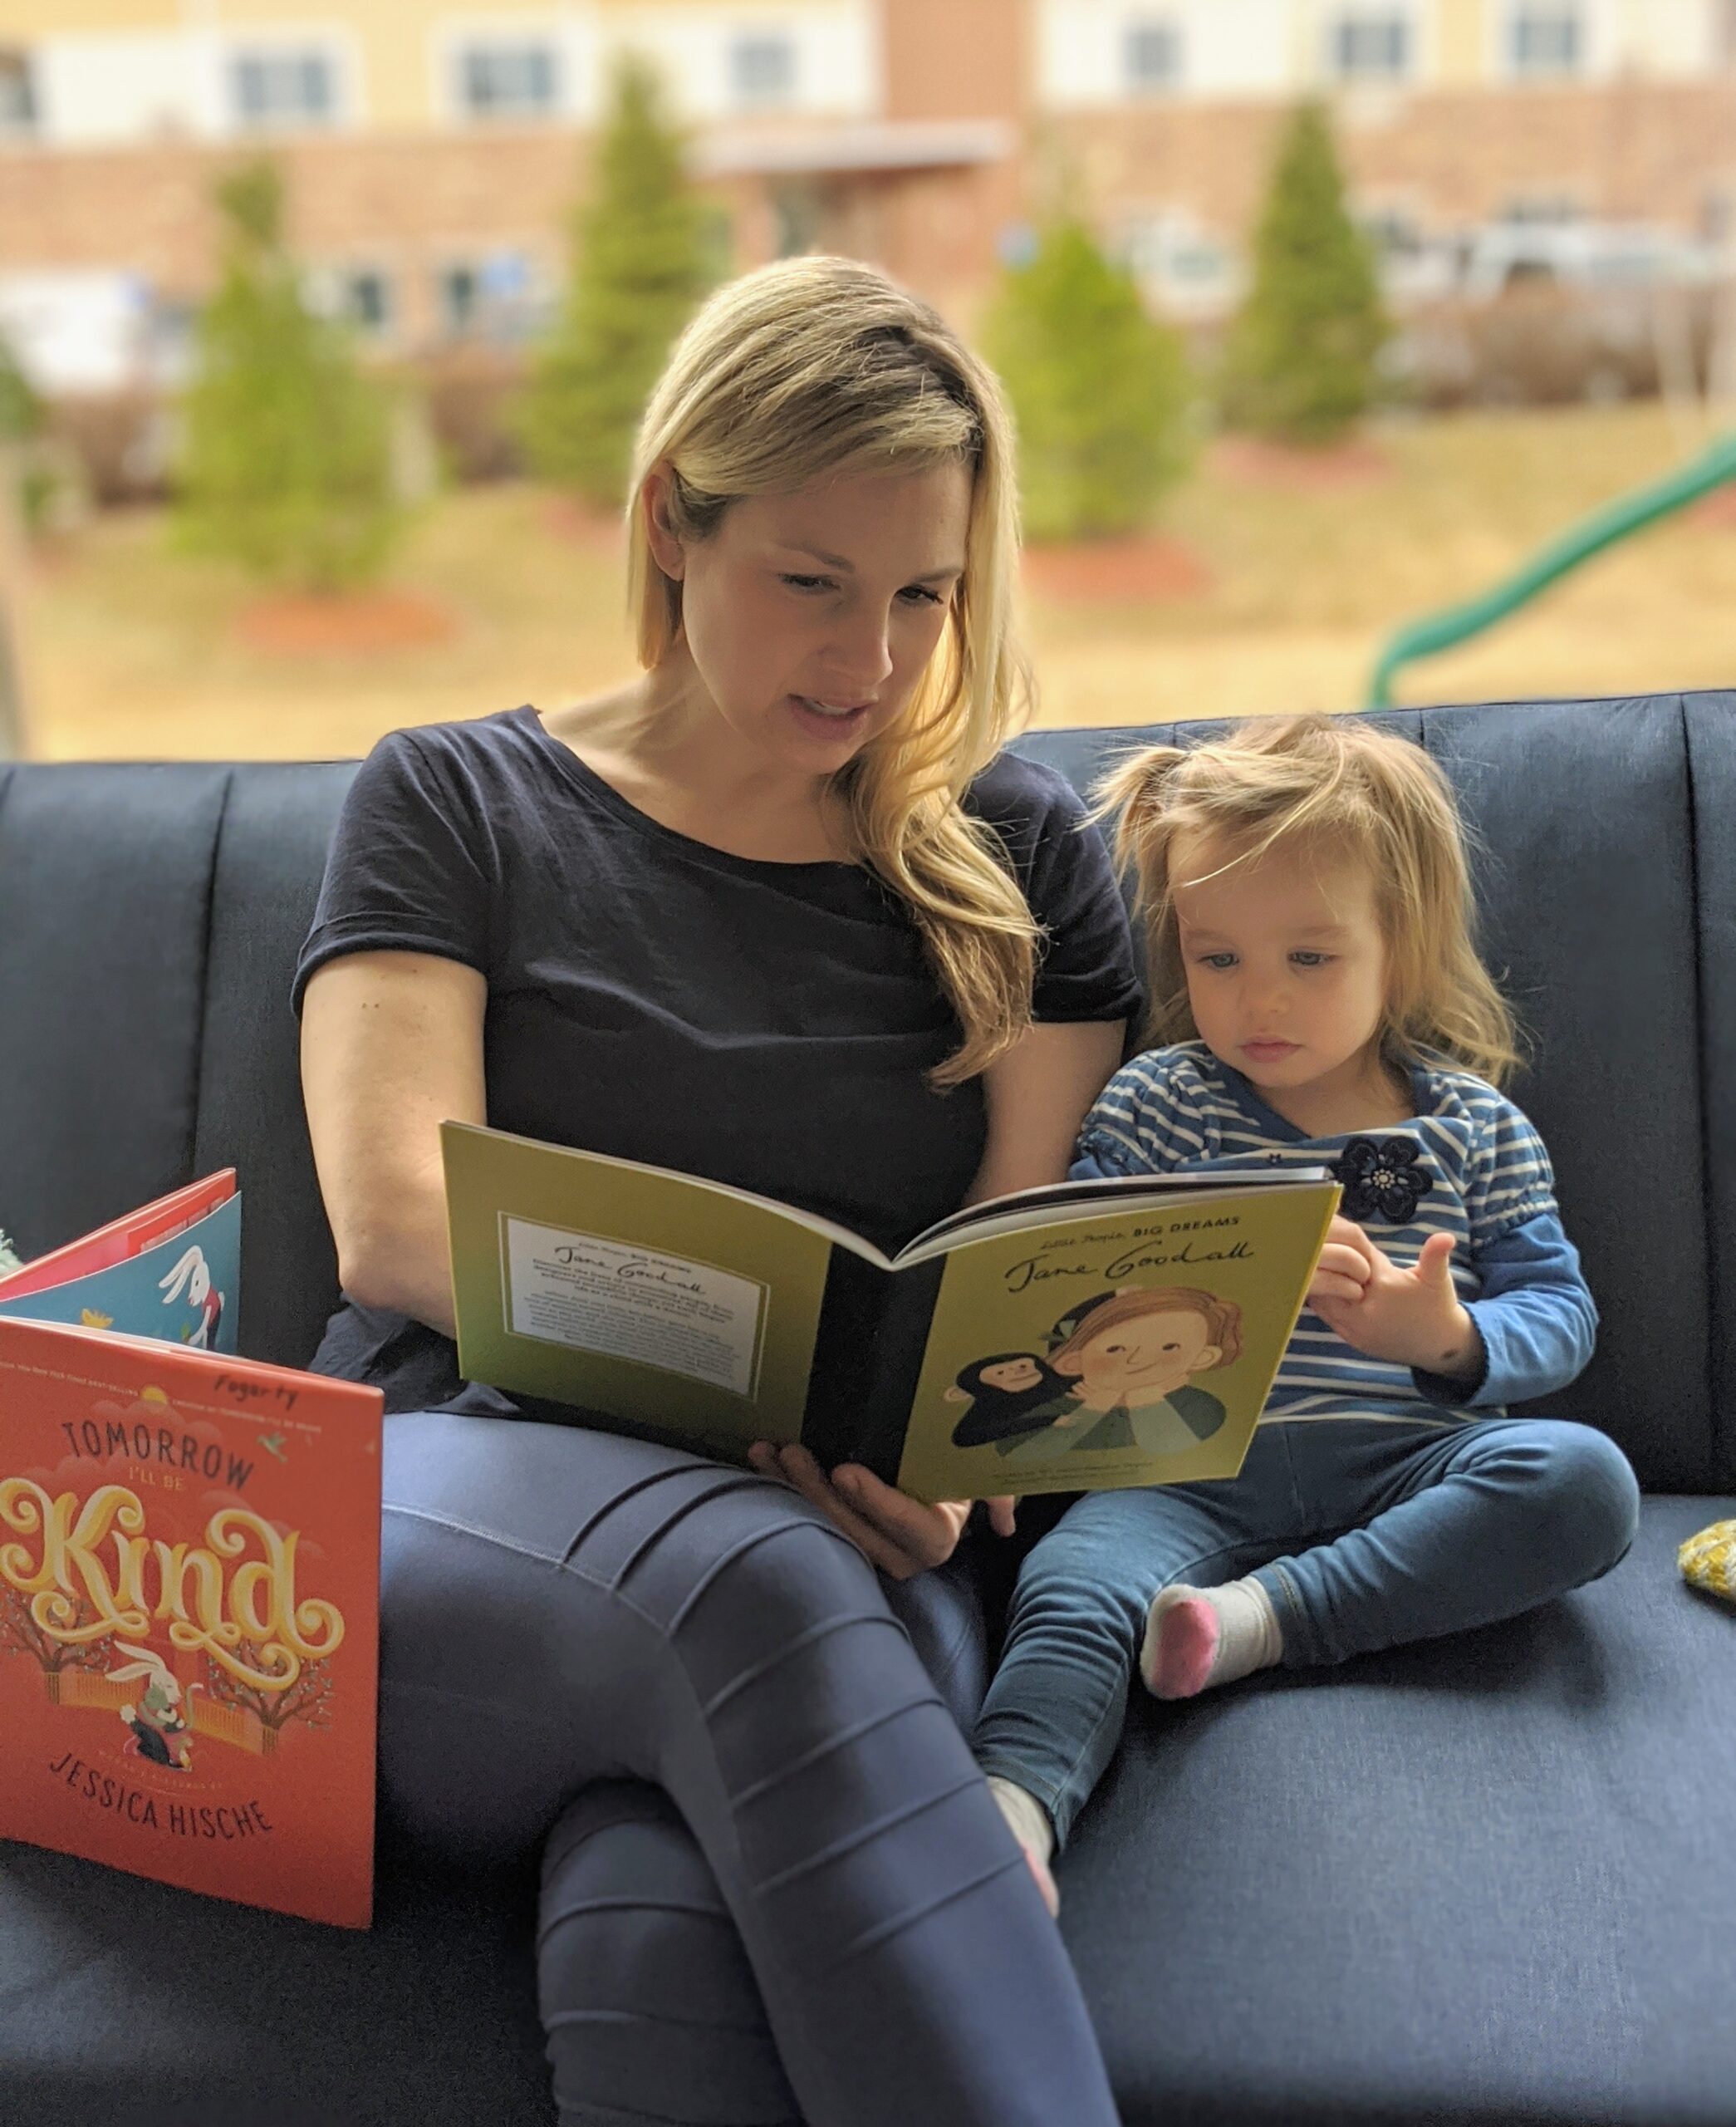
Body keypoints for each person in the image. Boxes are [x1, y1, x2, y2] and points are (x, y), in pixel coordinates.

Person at [295, 255, 1139, 2127]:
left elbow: (1018, 1266)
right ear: (675, 518)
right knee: (753, 1588)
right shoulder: (452, 800)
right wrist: (768, 1393)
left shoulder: (1016, 854)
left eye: (925, 593)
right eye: (812, 581)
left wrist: (961, 1454)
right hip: (456, 1487)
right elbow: (395, 1222)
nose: (873, 659)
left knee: (652, 1919)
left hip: (858, 1537)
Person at [971, 713, 1640, 1912]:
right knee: (1069, 1589)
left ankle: (1256, 1624)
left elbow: (1559, 1312)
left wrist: (1441, 1338)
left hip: (1409, 1462)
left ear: (1405, 946)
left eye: (1309, 959)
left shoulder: (1471, 1129)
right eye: (1216, 957)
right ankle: (1008, 1812)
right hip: (1176, 1474)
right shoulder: (1161, 1105)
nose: (1254, 1000)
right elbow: (1064, 1276)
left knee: (1582, 1480)